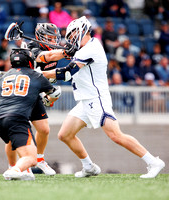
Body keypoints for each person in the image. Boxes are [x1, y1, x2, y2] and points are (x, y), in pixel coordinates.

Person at [42, 16, 165, 178]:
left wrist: (39, 74)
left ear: (81, 32)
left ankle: (153, 162)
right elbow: (58, 56)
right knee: (65, 134)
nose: (70, 40)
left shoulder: (90, 49)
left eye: (72, 36)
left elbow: (66, 73)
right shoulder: (83, 49)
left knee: (116, 135)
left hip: (96, 99)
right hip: (86, 100)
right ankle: (89, 167)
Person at [1, 23, 76, 176]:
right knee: (14, 136)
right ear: (40, 37)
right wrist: (64, 52)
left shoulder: (54, 49)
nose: (53, 41)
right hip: (21, 95)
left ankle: (39, 159)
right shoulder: (31, 48)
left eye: (55, 38)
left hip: (34, 92)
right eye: (50, 38)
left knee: (44, 129)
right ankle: (14, 166)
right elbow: (46, 57)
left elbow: (47, 72)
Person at [0, 48, 61, 180]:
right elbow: (54, 93)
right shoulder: (36, 76)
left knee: (12, 141)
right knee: (31, 158)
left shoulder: (3, 77)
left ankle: (14, 167)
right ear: (29, 61)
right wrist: (49, 99)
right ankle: (15, 170)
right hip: (16, 118)